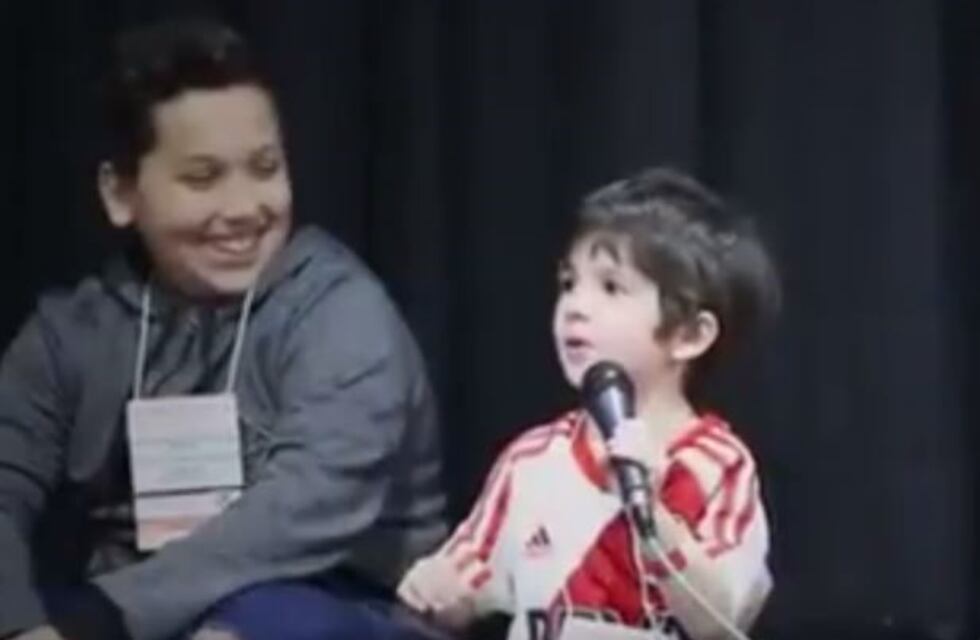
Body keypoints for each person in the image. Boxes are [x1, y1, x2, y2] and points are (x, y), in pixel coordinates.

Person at [0, 17, 447, 640]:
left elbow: (301, 509)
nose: (244, 209)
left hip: (340, 603)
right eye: (203, 178)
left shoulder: (342, 314)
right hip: (130, 612)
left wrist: (96, 622)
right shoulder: (71, 331)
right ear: (120, 194)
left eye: (264, 168)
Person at [398, 167, 780, 640]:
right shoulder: (533, 460)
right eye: (568, 284)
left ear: (689, 335)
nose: (575, 306)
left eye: (611, 287)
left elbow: (721, 620)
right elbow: (467, 578)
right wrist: (436, 592)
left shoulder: (718, 466)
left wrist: (654, 515)